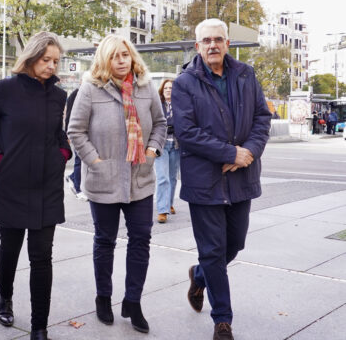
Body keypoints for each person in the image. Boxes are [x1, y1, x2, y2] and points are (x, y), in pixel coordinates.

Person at [0, 31, 72, 340]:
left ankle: (40, 326)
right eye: (46, 60)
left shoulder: (58, 96)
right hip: (11, 185)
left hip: (46, 187)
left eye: (55, 61)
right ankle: (5, 298)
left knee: (42, 257)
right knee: (10, 248)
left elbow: (58, 134)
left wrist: (62, 153)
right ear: (31, 57)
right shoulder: (5, 90)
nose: (51, 66)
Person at [172, 18, 271, 340]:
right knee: (213, 251)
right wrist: (229, 154)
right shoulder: (185, 82)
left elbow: (261, 118)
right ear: (197, 46)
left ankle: (199, 276)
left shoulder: (246, 74)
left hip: (242, 178)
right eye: (206, 40)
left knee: (234, 245)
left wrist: (248, 153)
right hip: (205, 181)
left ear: (227, 43)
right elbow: (186, 133)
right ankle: (222, 321)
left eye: (218, 39)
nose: (212, 45)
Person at [67, 34, 166, 334]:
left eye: (125, 54)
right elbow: (75, 131)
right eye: (115, 56)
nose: (122, 60)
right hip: (103, 179)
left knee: (141, 240)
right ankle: (103, 297)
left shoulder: (146, 87)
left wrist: (151, 151)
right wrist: (95, 161)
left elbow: (160, 124)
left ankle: (133, 301)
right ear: (104, 60)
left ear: (132, 56)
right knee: (105, 241)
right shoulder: (90, 89)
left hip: (140, 178)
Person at [155, 78, 180, 223]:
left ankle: (169, 203)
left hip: (176, 145)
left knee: (172, 177)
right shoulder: (158, 105)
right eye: (166, 88)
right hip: (161, 145)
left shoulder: (180, 104)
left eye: (171, 88)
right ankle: (162, 210)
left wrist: (170, 125)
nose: (168, 90)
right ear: (162, 90)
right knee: (162, 177)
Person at [64, 72, 90, 202]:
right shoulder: (75, 95)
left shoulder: (90, 94)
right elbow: (69, 115)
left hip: (88, 133)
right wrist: (67, 133)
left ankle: (73, 177)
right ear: (82, 82)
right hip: (78, 133)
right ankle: (79, 188)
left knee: (85, 160)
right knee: (79, 160)